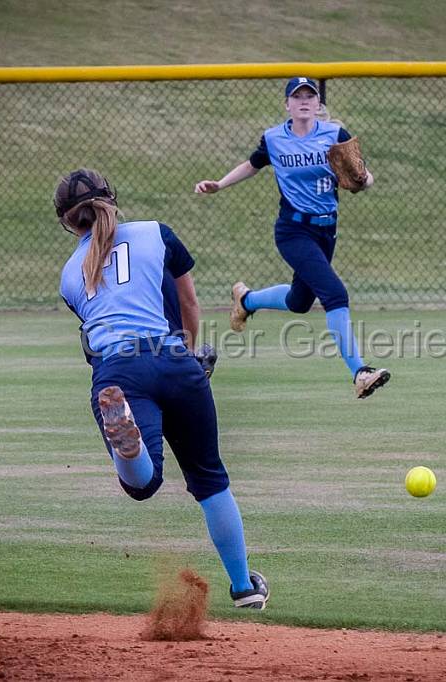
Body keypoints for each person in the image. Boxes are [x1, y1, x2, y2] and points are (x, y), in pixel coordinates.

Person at [56, 168, 268, 609]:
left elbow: (99, 333)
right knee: (210, 479)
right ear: (113, 198)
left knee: (142, 485)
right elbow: (188, 303)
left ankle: (130, 451)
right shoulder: (157, 233)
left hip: (118, 371)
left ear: (68, 223)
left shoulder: (69, 275)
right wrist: (188, 357)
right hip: (174, 359)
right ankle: (244, 587)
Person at [195, 77, 390, 399]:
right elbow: (252, 165)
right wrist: (219, 183)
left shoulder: (334, 136)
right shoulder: (274, 139)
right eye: (296, 96)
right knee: (335, 294)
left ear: (317, 104)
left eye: (309, 96)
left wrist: (364, 180)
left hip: (327, 231)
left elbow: (362, 179)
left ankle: (247, 300)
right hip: (293, 230)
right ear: (287, 104)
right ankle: (360, 371)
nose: (303, 100)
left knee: (300, 302)